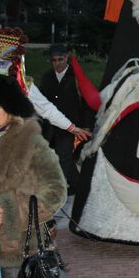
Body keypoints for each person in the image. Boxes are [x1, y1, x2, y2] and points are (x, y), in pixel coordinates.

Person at [0, 75, 68, 278]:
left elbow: (56, 190)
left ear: (10, 106)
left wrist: (9, 211)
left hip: (16, 249)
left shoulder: (31, 142)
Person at [39, 44, 93, 195]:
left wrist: (87, 125)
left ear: (66, 58)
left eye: (60, 59)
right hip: (50, 126)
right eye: (54, 60)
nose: (57, 63)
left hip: (71, 124)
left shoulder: (76, 76)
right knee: (52, 157)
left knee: (64, 157)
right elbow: (41, 101)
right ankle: (75, 184)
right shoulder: (46, 77)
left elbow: (87, 103)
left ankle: (67, 187)